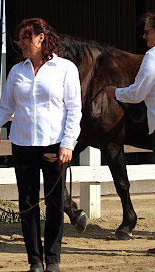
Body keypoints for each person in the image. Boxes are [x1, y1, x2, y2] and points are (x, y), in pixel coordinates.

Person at [0, 18, 82, 272]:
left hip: (55, 145)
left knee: (55, 205)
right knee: (27, 203)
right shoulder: (17, 71)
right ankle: (35, 261)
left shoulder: (65, 68)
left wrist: (68, 144)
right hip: (24, 145)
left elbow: (74, 110)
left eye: (26, 38)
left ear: (41, 38)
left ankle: (52, 259)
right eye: (20, 39)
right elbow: (4, 110)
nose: (21, 43)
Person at [104, 12, 155, 257]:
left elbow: (137, 93)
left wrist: (116, 92)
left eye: (147, 31)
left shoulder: (152, 58)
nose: (144, 35)